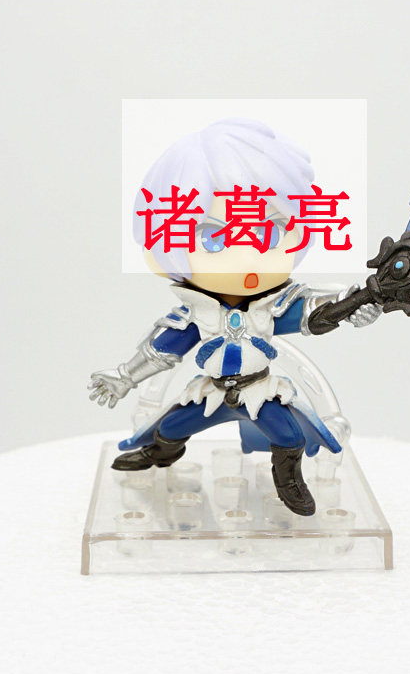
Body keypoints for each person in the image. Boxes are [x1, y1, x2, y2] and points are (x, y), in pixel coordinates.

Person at [89, 118, 380, 515]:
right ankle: (160, 454)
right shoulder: (196, 313)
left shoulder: (271, 306)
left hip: (259, 390)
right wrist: (124, 377)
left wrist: (355, 303)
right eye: (213, 237)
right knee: (170, 427)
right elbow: (162, 351)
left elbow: (315, 313)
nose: (248, 257)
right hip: (209, 392)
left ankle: (289, 481)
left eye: (270, 231)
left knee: (288, 435)